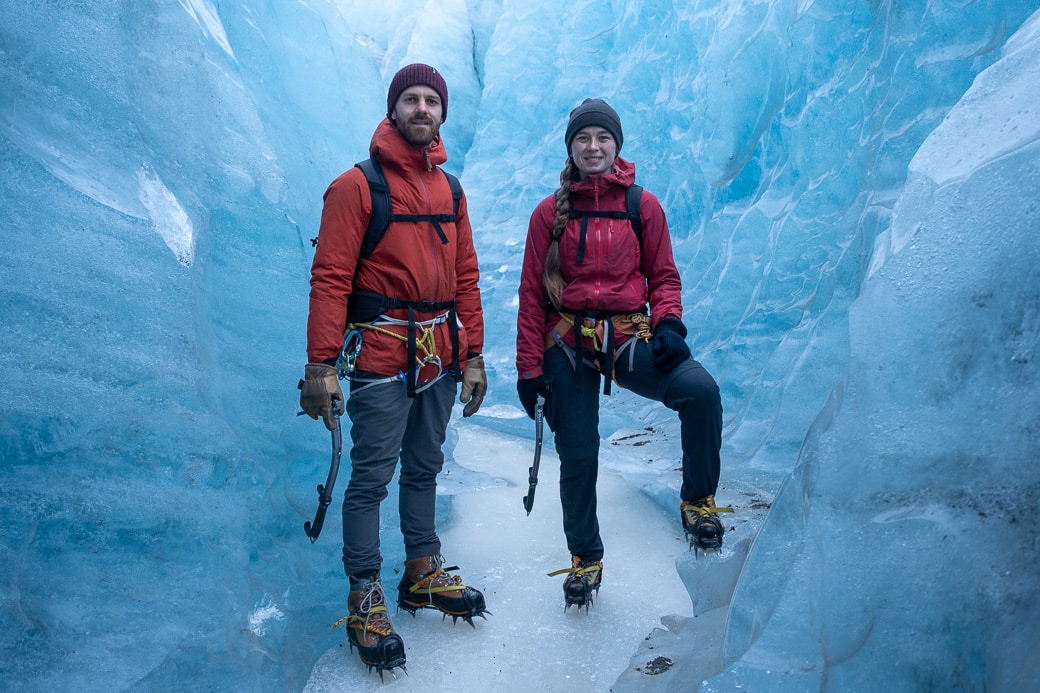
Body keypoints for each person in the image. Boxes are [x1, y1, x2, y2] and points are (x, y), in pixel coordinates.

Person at [299, 63, 488, 676]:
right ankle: (364, 596)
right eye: (411, 98)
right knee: (371, 477)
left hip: (438, 356)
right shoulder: (356, 187)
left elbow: (466, 280)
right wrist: (321, 366)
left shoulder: (451, 192)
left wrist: (474, 354)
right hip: (380, 355)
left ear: (442, 113)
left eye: (432, 100)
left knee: (426, 467)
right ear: (394, 108)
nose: (422, 108)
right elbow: (329, 279)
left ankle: (420, 572)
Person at [515, 98, 730, 610]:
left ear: (617, 145)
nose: (593, 147)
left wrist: (670, 322)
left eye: (602, 138)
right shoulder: (549, 213)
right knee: (579, 453)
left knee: (700, 392)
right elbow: (530, 297)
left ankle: (698, 501)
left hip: (629, 338)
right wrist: (529, 370)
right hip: (566, 344)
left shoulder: (641, 205)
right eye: (583, 139)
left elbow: (664, 276)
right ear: (572, 147)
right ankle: (585, 558)